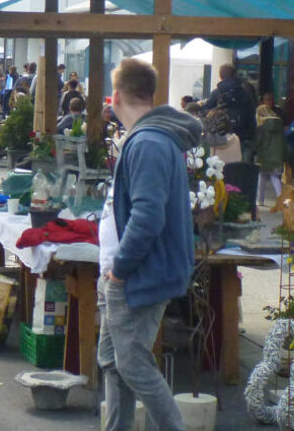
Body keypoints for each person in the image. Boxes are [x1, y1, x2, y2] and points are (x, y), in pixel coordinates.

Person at [97, 58, 200, 431]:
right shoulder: (150, 138)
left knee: (131, 364)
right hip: (123, 272)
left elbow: (147, 219)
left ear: (115, 97)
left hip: (134, 275)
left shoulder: (149, 142)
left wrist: (119, 271)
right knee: (113, 361)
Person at [204, 64, 255, 159]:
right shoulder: (245, 92)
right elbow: (251, 115)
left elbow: (206, 113)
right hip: (242, 136)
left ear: (220, 76)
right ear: (234, 74)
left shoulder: (216, 93)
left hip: (220, 137)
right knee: (239, 169)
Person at [255, 102, 286, 205]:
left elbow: (259, 142)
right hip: (277, 156)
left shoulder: (262, 126)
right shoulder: (279, 124)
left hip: (264, 156)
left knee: (262, 177)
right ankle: (280, 198)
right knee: (275, 177)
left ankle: (260, 199)